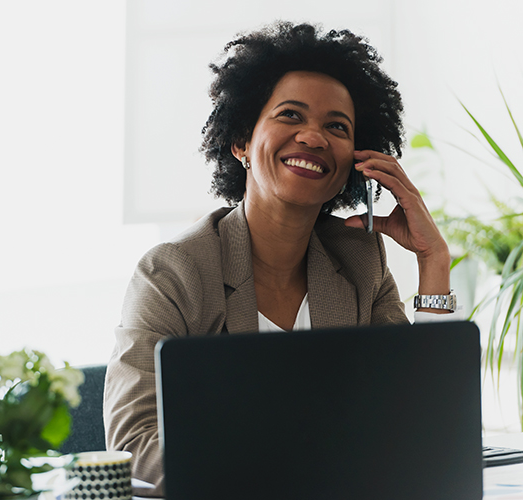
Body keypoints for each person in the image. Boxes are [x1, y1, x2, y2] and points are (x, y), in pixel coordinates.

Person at [103, 21, 455, 496]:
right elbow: (133, 445)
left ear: (354, 160)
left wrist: (433, 263)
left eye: (337, 126)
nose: (313, 137)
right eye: (291, 115)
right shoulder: (172, 272)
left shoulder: (360, 260)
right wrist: (300, 471)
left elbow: (424, 422)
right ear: (241, 141)